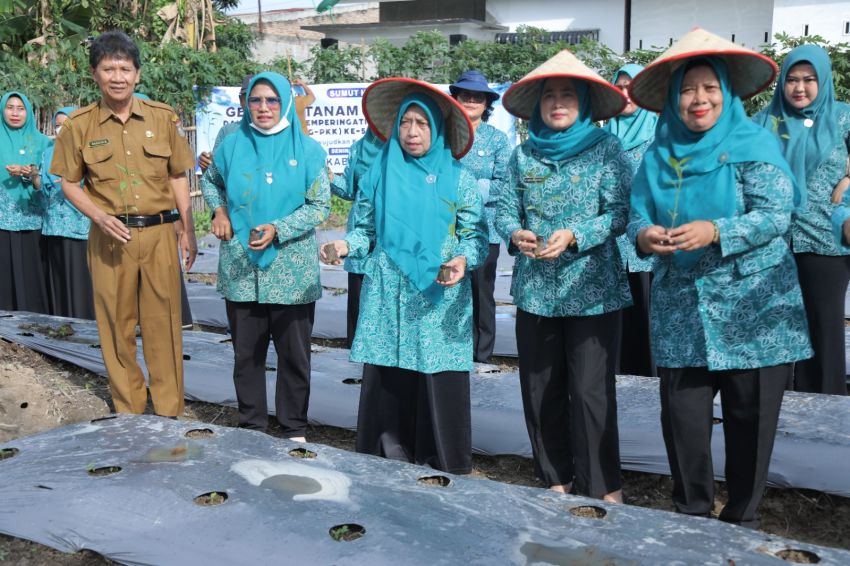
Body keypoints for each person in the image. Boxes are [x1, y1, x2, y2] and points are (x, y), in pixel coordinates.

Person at [627, 28, 813, 527]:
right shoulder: (658, 154)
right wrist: (645, 236)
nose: (699, 99)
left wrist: (716, 230)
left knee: (750, 420)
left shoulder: (753, 144)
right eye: (688, 90)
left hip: (752, 309)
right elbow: (635, 217)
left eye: (710, 88)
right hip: (681, 308)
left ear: (727, 94)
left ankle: (741, 518)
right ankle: (690, 513)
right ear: (673, 98)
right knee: (683, 419)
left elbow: (776, 214)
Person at [322, 78, 487, 474]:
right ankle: (387, 455)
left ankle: (441, 460)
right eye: (405, 123)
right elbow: (364, 231)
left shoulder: (457, 177)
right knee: (389, 373)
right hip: (388, 290)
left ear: (437, 128)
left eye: (422, 123)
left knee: (436, 370)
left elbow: (476, 236)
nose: (412, 132)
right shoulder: (378, 173)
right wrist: (344, 245)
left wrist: (462, 260)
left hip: (439, 292)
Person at [497, 50, 632, 502]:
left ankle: (602, 483)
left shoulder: (606, 149)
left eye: (567, 95)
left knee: (591, 390)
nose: (558, 103)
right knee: (540, 386)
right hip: (536, 289)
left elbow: (620, 212)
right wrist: (516, 232)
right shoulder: (523, 155)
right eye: (549, 95)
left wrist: (576, 234)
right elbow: (505, 209)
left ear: (584, 102)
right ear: (537, 105)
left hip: (593, 288)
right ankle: (555, 475)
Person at [51, 31, 196, 418]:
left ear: (137, 74)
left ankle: (168, 412)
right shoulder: (78, 126)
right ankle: (129, 411)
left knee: (164, 324)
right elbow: (69, 182)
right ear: (94, 74)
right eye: (108, 69)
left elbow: (178, 175)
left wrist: (188, 229)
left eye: (125, 69)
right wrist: (99, 216)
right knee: (116, 324)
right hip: (110, 238)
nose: (118, 77)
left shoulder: (162, 118)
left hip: (160, 234)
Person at [200, 71, 329, 440]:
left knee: (294, 354)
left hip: (292, 269)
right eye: (255, 100)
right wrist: (219, 211)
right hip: (241, 265)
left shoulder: (308, 151)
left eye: (272, 100)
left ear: (285, 102)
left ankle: (293, 426)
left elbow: (320, 206)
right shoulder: (231, 146)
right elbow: (211, 182)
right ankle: (252, 425)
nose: (263, 107)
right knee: (247, 354)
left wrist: (278, 228)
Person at [754, 45, 850, 395]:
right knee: (772, 331)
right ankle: (773, 413)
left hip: (825, 241)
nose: (799, 87)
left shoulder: (843, 117)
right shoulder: (763, 122)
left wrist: (849, 179)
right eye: (791, 79)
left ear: (822, 80)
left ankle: (827, 416)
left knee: (824, 331)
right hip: (771, 243)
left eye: (809, 79)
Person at [449, 70, 512, 363]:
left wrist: (469, 190)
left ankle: (482, 353)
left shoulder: (497, 139)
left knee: (481, 291)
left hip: (484, 228)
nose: (472, 101)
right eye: (466, 95)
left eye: (478, 97)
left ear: (487, 103)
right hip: (446, 226)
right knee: (448, 286)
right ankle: (451, 348)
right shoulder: (444, 135)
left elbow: (505, 182)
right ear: (456, 99)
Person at [605, 64, 658, 377]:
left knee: (645, 313)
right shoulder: (603, 137)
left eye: (632, 87)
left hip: (645, 243)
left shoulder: (660, 134)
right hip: (610, 243)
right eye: (620, 87)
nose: (625, 94)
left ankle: (647, 379)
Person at [33, 107, 95, 319]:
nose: (61, 129)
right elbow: (43, 189)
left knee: (80, 277)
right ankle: (61, 320)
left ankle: (85, 321)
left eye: (66, 124)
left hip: (80, 225)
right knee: (59, 278)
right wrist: (34, 177)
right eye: (58, 125)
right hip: (53, 226)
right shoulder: (48, 152)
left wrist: (77, 182)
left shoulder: (89, 149)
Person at [329, 128, 384, 347]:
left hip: (392, 235)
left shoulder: (408, 148)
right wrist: (330, 178)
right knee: (359, 297)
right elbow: (351, 190)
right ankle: (357, 351)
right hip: (360, 232)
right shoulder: (359, 148)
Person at [0, 91, 50, 313]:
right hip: (1, 220)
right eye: (10, 107)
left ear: (28, 112)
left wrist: (32, 173)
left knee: (31, 272)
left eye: (20, 109)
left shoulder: (42, 143)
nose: (15, 113)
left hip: (31, 218)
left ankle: (34, 318)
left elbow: (49, 182)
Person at [198, 74, 255, 173]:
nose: (252, 104)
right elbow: (215, 172)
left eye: (256, 99)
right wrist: (207, 165)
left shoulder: (275, 133)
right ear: (241, 100)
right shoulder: (227, 131)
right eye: (248, 98)